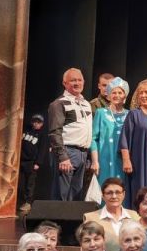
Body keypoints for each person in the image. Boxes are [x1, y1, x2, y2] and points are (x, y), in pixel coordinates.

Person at [48, 67, 94, 201]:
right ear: (65, 83)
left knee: (76, 196)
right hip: (68, 152)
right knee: (61, 196)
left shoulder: (86, 104)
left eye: (79, 80)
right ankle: (56, 216)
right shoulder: (59, 103)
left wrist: (88, 157)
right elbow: (54, 132)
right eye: (73, 80)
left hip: (82, 154)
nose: (77, 83)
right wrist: (63, 157)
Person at [120, 78, 147, 206]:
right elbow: (124, 139)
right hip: (138, 162)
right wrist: (126, 160)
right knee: (139, 192)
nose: (143, 96)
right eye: (141, 93)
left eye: (146, 92)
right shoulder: (133, 114)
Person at [84, 177, 141, 251]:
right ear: (103, 195)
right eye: (109, 193)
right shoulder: (91, 218)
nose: (114, 196)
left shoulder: (135, 216)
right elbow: (86, 250)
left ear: (123, 194)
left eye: (118, 192)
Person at [91, 77, 130, 185]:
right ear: (109, 95)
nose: (117, 95)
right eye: (114, 92)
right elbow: (93, 139)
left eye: (120, 92)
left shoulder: (130, 115)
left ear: (125, 96)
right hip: (104, 159)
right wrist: (95, 161)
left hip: (123, 160)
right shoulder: (101, 113)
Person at [18, 112, 48, 213]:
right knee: (20, 182)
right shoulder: (26, 130)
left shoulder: (42, 135)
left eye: (38, 122)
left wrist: (38, 163)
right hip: (21, 160)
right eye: (34, 121)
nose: (36, 124)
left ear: (42, 124)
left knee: (29, 184)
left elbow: (42, 150)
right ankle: (19, 201)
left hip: (31, 162)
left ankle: (28, 202)